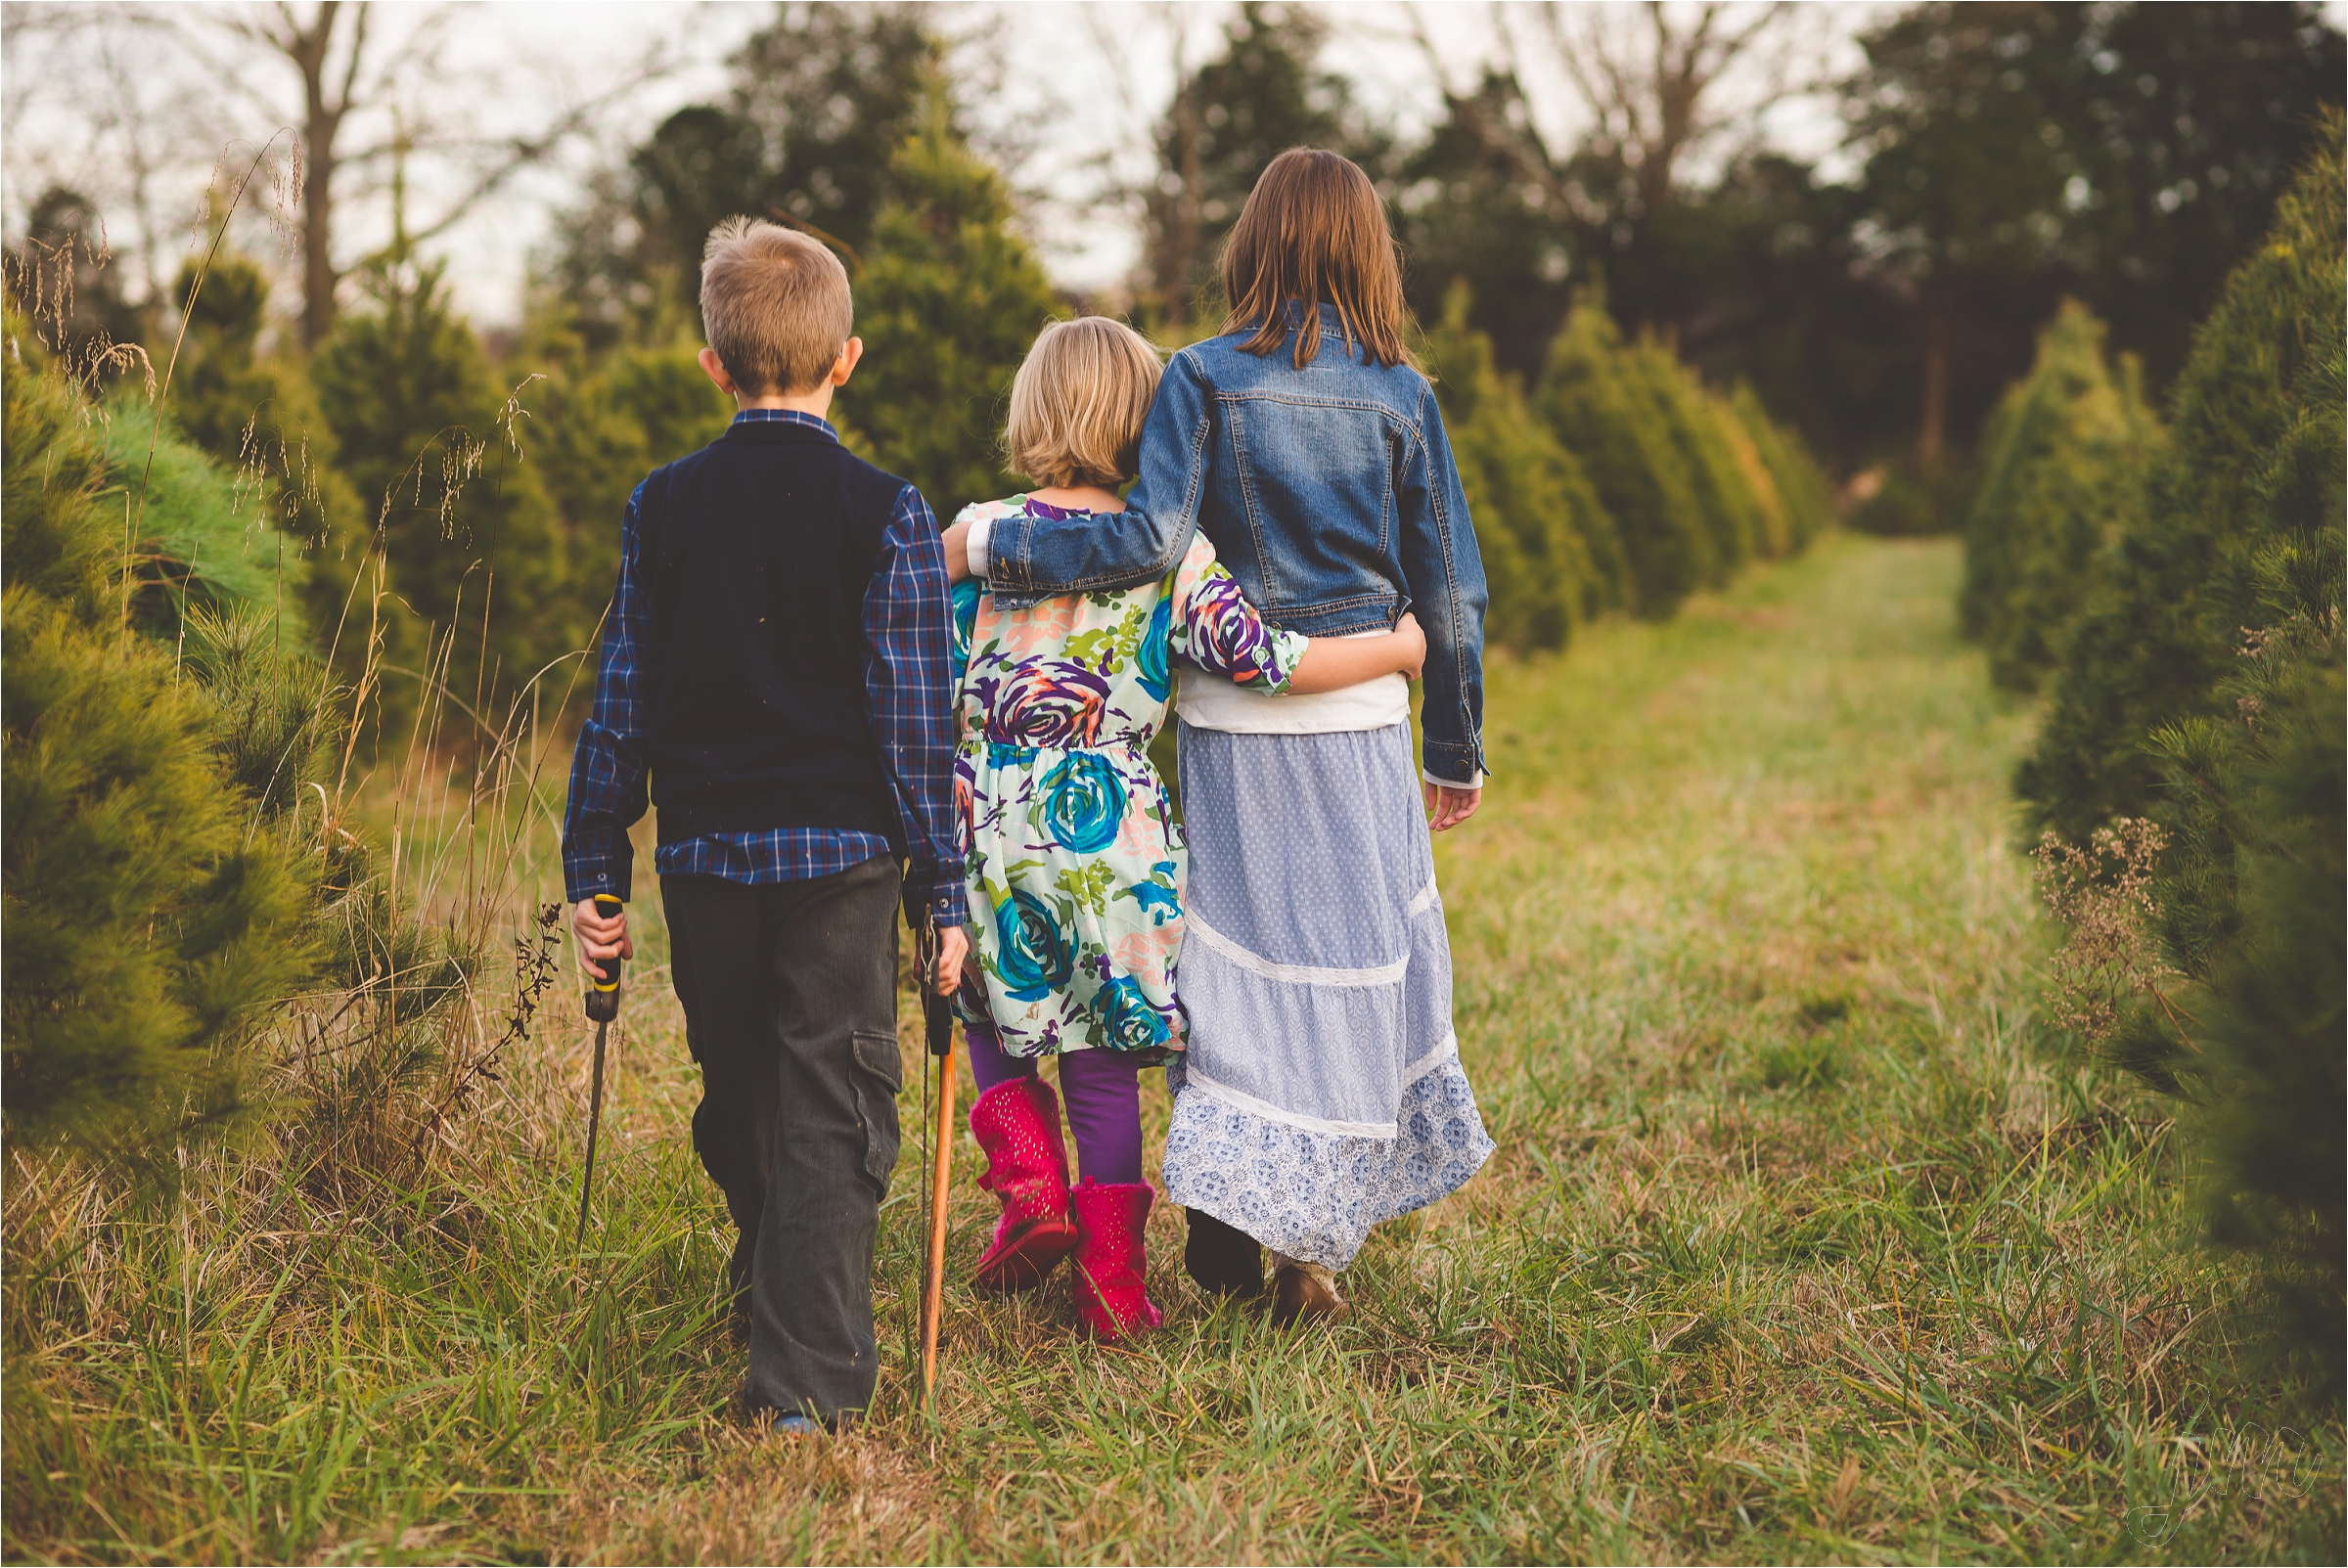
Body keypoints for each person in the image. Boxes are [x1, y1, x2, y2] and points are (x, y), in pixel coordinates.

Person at [942, 149, 1496, 1325]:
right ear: (1370, 254)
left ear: (1248, 249)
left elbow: (1147, 540)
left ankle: (1230, 1208)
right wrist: (1452, 737)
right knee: (1348, 974)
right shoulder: (1405, 392)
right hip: (1356, 719)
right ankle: (1310, 1257)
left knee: (1235, 967)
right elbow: (1449, 590)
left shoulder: (1198, 376)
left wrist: (992, 547)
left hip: (1233, 728)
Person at [563, 217, 966, 1432]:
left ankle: (802, 1376)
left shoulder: (664, 504)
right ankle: (792, 1294)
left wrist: (598, 860)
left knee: (746, 1080)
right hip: (844, 857)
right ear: (847, 358)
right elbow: (916, 726)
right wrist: (942, 890)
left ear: (712, 363)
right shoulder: (887, 512)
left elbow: (618, 692)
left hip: (704, 861)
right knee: (820, 1098)